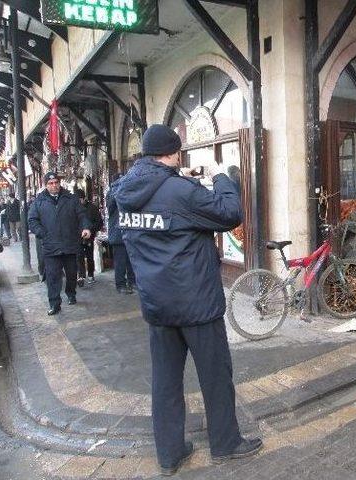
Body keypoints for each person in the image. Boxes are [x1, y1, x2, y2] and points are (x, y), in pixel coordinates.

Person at [115, 124, 262, 476]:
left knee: (165, 381)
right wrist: (219, 176)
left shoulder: (122, 189)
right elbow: (230, 213)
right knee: (215, 375)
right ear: (174, 153)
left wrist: (177, 178)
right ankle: (226, 443)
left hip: (156, 304)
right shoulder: (181, 191)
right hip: (196, 302)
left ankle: (170, 453)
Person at [28, 173, 92, 315]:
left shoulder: (71, 199)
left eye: (56, 182)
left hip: (69, 244)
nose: (54, 185)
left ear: (59, 183)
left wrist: (85, 227)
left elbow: (82, 215)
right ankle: (54, 303)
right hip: (51, 246)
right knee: (52, 277)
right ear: (46, 185)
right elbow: (32, 220)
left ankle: (71, 293)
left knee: (71, 274)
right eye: (50, 183)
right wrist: (42, 233)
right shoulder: (39, 201)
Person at [106, 173, 136, 294]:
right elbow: (110, 206)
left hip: (129, 231)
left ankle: (132, 281)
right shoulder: (112, 193)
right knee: (120, 261)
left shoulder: (129, 192)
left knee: (131, 260)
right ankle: (120, 284)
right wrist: (117, 190)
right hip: (118, 233)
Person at [75, 189, 103, 286]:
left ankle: (91, 274)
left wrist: (91, 230)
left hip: (89, 237)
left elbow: (99, 222)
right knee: (79, 256)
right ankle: (81, 275)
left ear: (83, 198)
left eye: (80, 200)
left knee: (90, 256)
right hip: (78, 237)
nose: (79, 202)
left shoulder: (92, 208)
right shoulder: (74, 209)